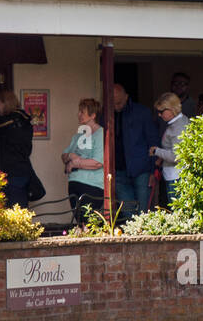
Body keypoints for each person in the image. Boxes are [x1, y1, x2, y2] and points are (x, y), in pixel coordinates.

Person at [111, 83, 158, 221]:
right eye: (113, 103)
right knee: (127, 213)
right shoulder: (106, 114)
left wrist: (153, 170)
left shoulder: (141, 112)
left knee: (143, 212)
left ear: (126, 97)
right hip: (118, 171)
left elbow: (153, 141)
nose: (116, 107)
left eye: (119, 103)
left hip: (142, 169)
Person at [62, 98, 105, 227]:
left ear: (93, 115)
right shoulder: (79, 135)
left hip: (92, 185)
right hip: (74, 182)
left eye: (82, 112)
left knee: (88, 222)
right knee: (79, 221)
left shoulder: (100, 133)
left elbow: (98, 162)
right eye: (79, 111)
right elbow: (64, 155)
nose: (79, 114)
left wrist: (75, 163)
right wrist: (70, 155)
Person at [0, 88, 35, 207]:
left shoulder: (13, 122)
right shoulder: (22, 120)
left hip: (14, 173)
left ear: (6, 103)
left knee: (15, 211)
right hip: (16, 171)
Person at [151, 93, 188, 206]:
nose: (159, 115)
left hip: (176, 176)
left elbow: (176, 156)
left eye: (161, 112)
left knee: (177, 211)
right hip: (174, 174)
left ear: (171, 109)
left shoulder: (178, 127)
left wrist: (157, 151)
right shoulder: (179, 122)